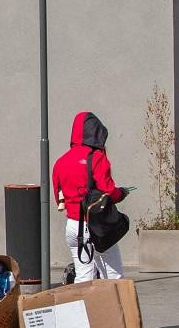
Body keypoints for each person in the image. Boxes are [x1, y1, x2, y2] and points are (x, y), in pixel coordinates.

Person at [52, 111, 129, 282]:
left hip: (73, 226)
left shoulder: (60, 161)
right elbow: (109, 191)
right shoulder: (96, 158)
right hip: (96, 226)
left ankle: (83, 309)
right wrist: (122, 193)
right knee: (113, 277)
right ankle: (111, 309)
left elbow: (60, 200)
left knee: (83, 277)